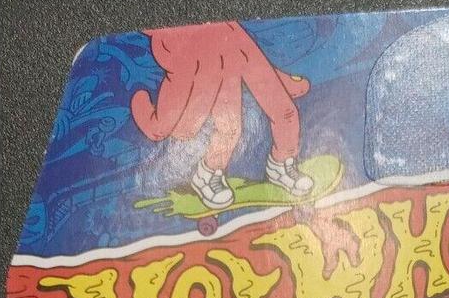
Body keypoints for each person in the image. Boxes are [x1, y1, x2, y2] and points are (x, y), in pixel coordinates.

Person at [131, 21, 316, 211]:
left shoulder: (229, 35)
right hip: (198, 43)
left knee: (284, 111)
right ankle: (208, 174)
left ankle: (281, 165)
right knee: (226, 128)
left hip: (228, 35)